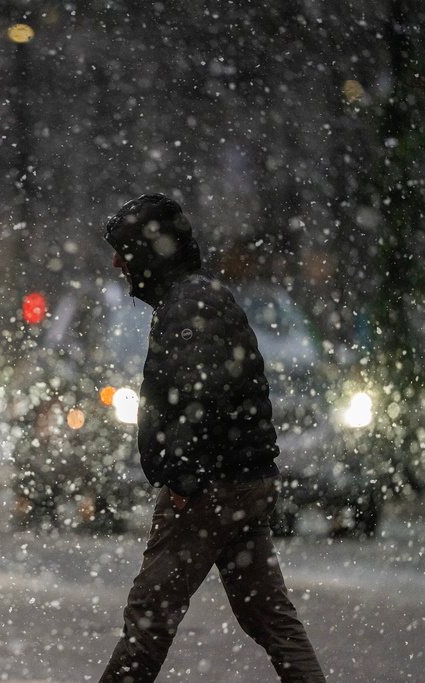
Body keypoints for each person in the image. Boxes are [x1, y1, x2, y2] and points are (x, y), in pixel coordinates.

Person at [99, 194, 326, 682]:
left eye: (124, 249)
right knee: (270, 618)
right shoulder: (200, 299)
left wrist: (183, 479)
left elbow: (202, 398)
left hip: (209, 492)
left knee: (148, 622)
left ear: (149, 251)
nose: (117, 261)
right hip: (241, 483)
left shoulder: (187, 307)